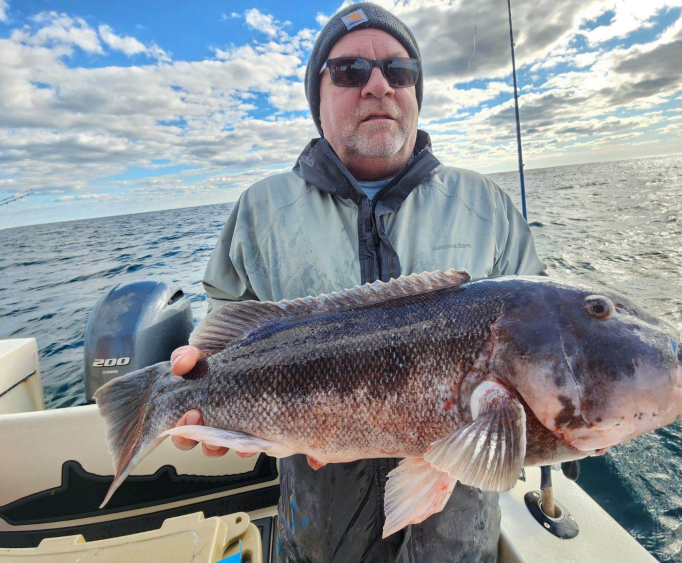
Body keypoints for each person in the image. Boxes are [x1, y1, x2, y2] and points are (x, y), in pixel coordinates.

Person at [169, 3, 546, 562]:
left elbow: (540, 339)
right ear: (316, 100)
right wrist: (200, 384)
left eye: (399, 70)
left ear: (414, 90)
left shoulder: (485, 203)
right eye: (349, 71)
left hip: (458, 524)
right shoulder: (259, 209)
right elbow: (224, 329)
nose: (378, 85)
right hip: (318, 518)